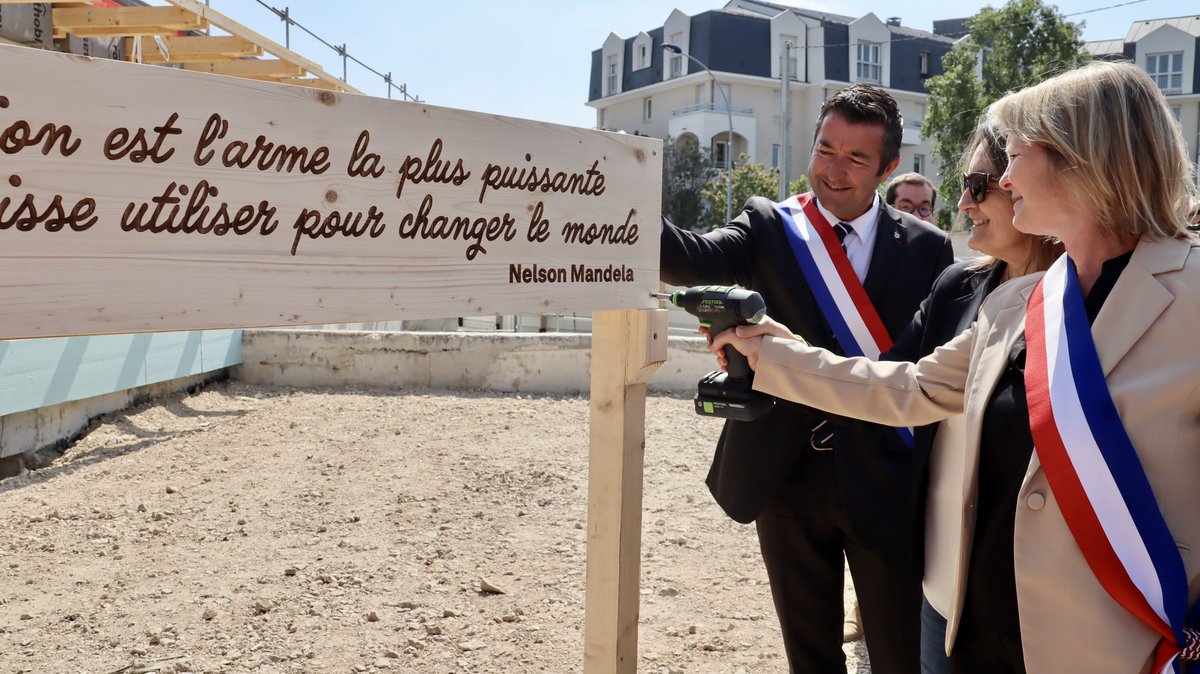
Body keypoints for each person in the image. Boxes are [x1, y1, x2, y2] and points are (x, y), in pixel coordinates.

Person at [711, 60, 1200, 674]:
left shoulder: (1192, 294)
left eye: (1016, 155)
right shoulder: (1025, 299)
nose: (1005, 176)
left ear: (1082, 158)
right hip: (970, 631)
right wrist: (773, 355)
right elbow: (911, 388)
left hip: (1117, 647)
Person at [661, 83, 954, 674]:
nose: (834, 170)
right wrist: (618, 193)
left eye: (856, 158)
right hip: (786, 470)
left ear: (889, 167)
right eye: (825, 149)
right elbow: (685, 257)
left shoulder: (928, 248)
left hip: (887, 474)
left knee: (898, 652)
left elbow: (932, 366)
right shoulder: (770, 224)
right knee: (810, 654)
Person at [885, 121, 1061, 674]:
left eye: (980, 184)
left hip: (1038, 611)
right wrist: (768, 352)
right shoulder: (956, 285)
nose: (962, 202)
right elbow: (890, 382)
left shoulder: (1091, 301)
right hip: (939, 592)